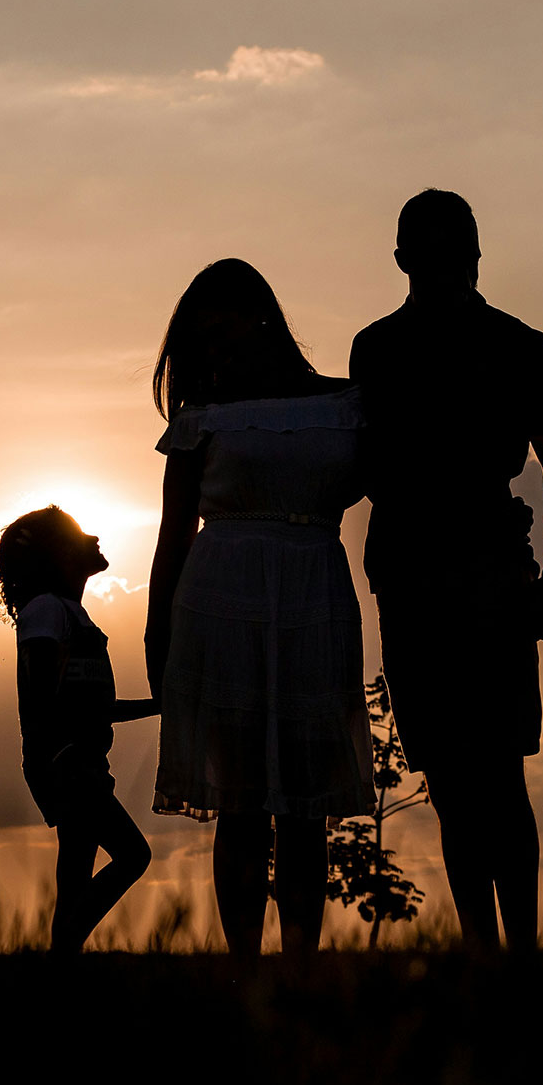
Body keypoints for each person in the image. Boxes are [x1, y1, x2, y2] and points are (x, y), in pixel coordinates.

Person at [349, 189, 543, 952]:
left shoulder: (514, 343)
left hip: (479, 571)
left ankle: (511, 951)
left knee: (489, 774)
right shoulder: (379, 348)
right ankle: (494, 953)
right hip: (426, 572)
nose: (453, 261)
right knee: (457, 779)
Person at [145, 259, 375, 963]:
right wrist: (159, 641)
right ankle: (244, 968)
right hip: (220, 606)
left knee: (305, 806)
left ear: (262, 317)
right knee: (241, 803)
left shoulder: (343, 404)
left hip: (313, 597)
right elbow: (172, 536)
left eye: (222, 330)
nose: (215, 351)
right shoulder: (201, 420)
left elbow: (399, 488)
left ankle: (300, 964)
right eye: (201, 341)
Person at [0, 506, 154, 952]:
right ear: (57, 553)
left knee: (74, 878)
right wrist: (60, 757)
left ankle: (61, 974)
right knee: (133, 855)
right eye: (80, 534)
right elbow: (40, 696)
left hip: (78, 762)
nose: (95, 538)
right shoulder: (47, 611)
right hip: (68, 765)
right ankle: (60, 952)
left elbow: (93, 709)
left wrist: (161, 706)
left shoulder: (66, 613)